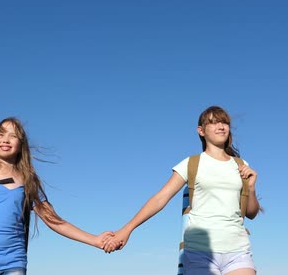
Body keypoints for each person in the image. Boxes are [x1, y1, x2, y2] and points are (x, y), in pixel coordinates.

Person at [103, 106, 261, 275]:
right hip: (200, 252)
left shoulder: (241, 165)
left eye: (224, 122)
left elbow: (251, 213)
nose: (221, 126)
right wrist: (127, 229)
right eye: (213, 122)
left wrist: (250, 188)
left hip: (238, 250)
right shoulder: (191, 164)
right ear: (201, 131)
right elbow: (161, 198)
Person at [0, 117, 113, 275]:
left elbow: (55, 221)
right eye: (1, 134)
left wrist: (95, 240)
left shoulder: (29, 182)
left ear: (21, 145)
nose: (5, 139)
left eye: (13, 136)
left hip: (14, 264)